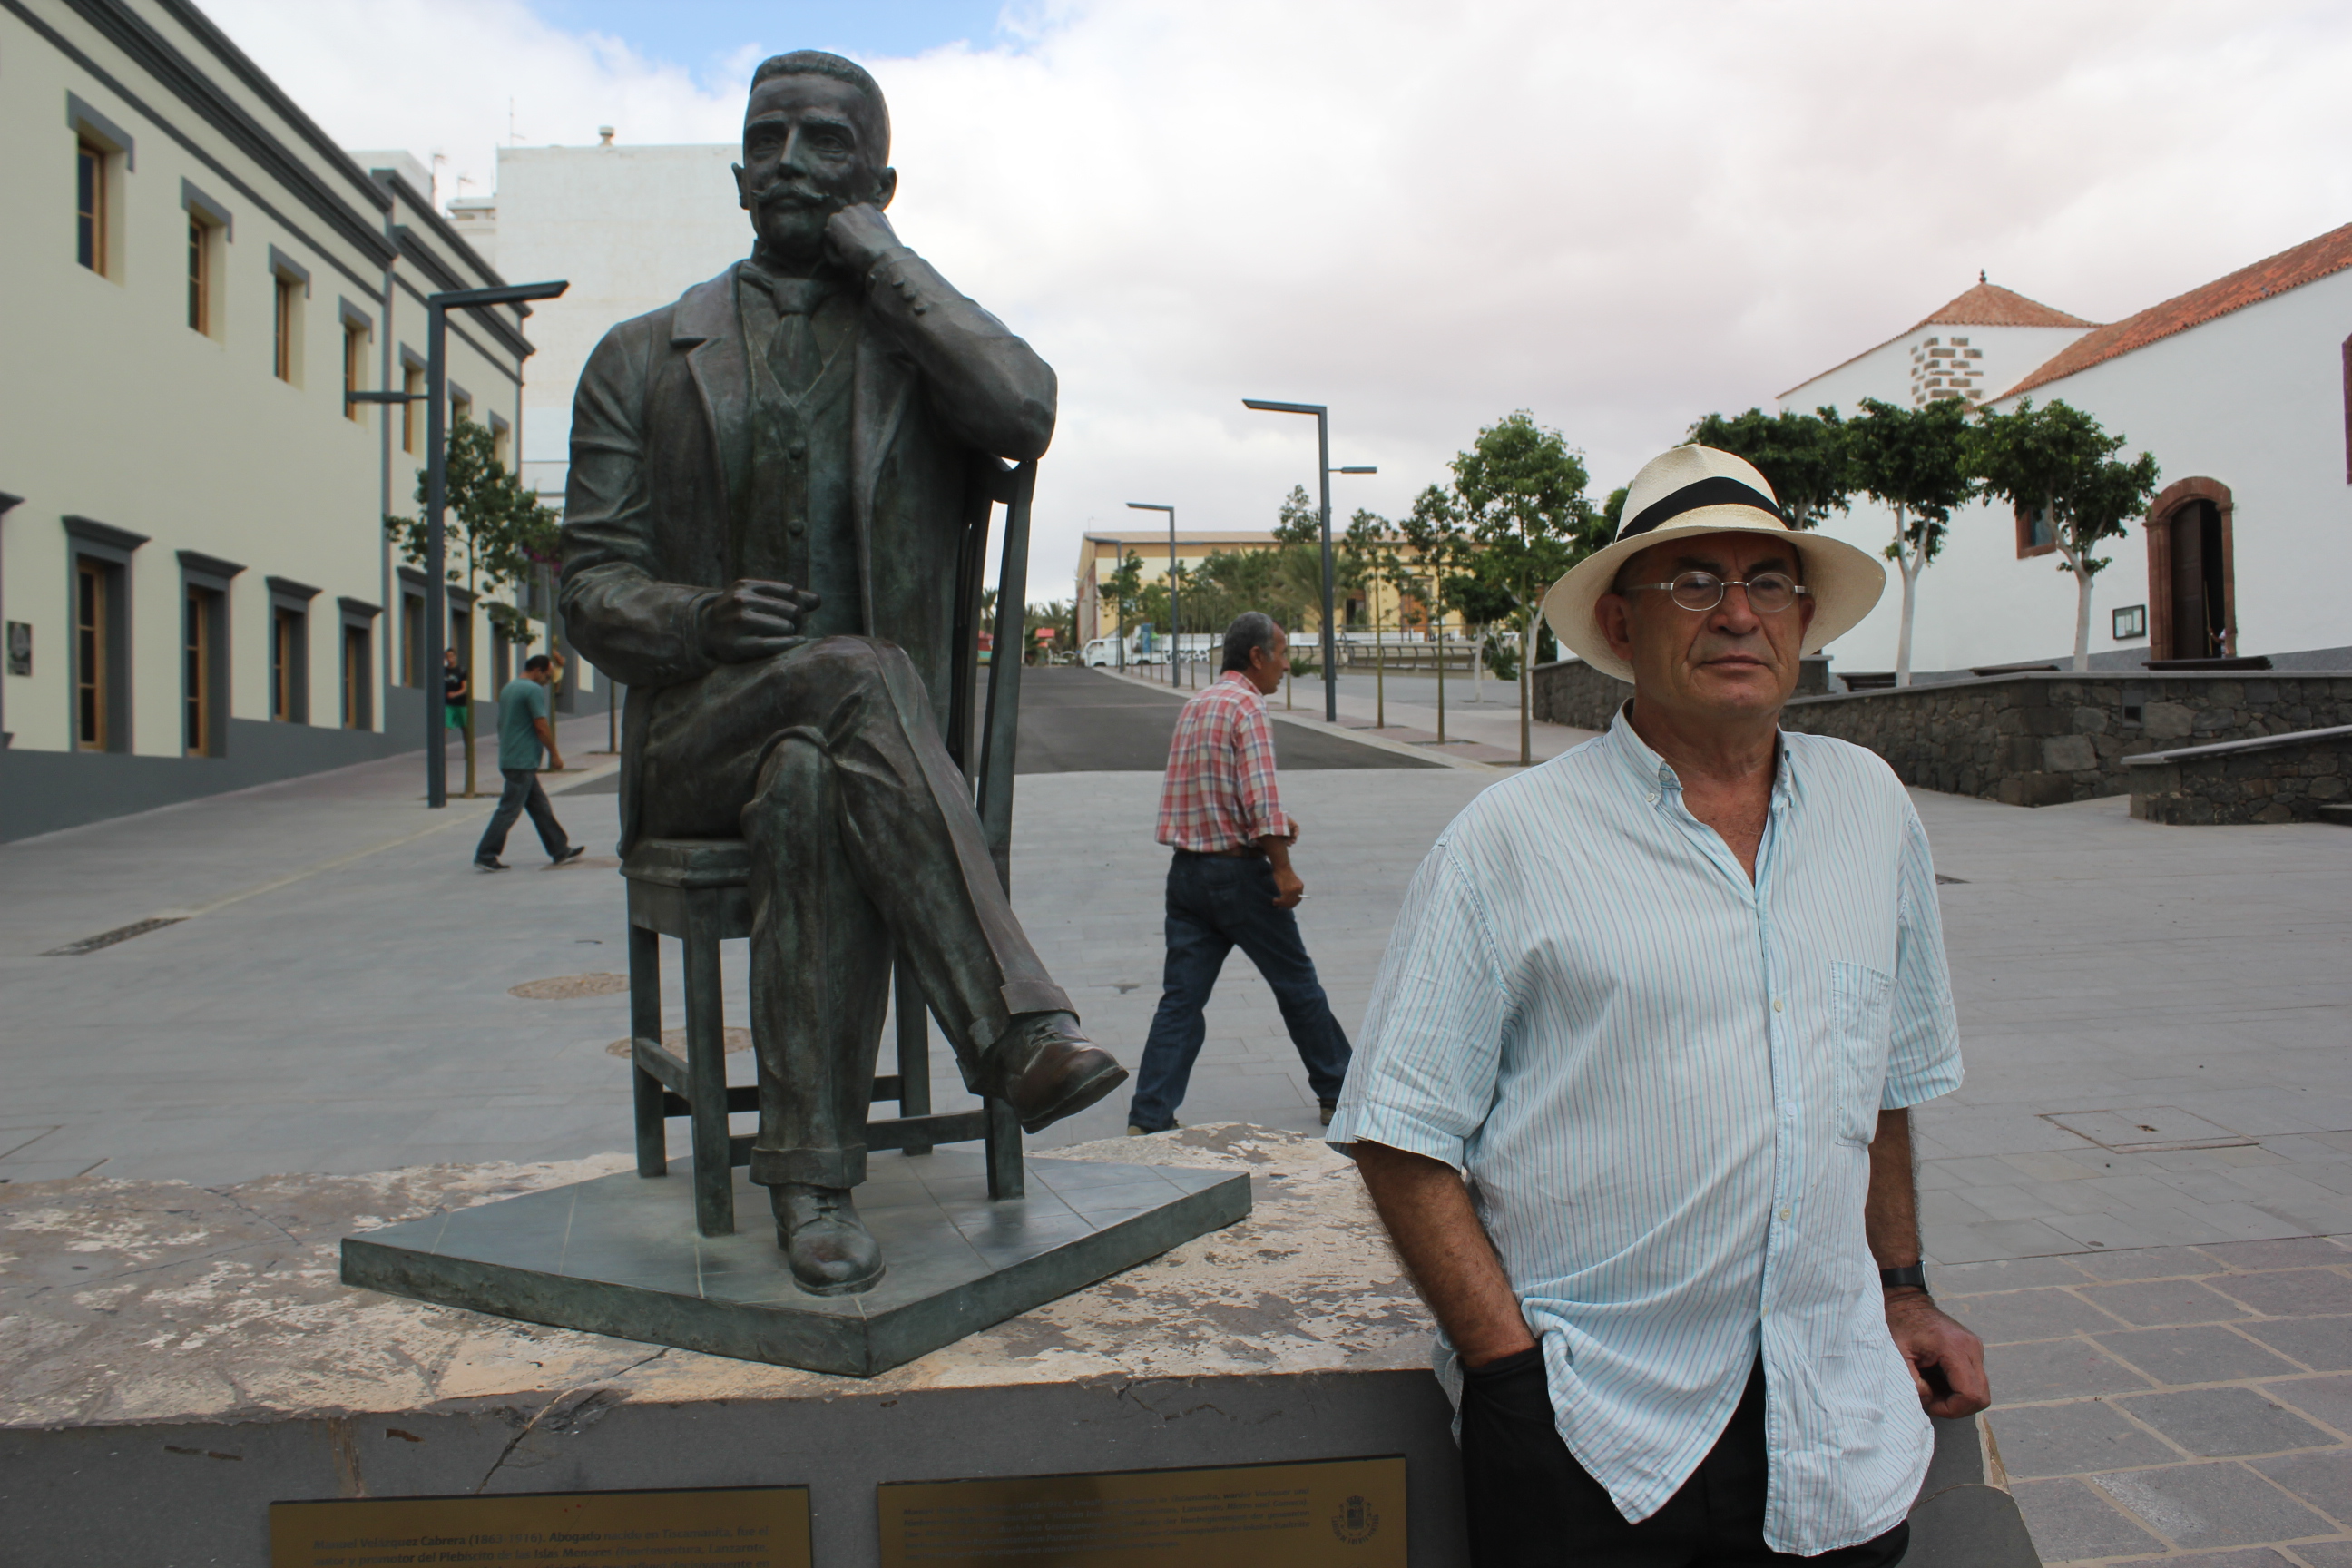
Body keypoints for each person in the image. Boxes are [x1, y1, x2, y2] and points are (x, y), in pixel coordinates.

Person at [1328, 445, 1988, 1567]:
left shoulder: (1870, 809)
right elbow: (1401, 1132)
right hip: (1595, 1426)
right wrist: (1506, 1372)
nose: (1737, 614)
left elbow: (1881, 1086)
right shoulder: (1511, 840)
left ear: (1803, 616)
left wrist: (1906, 1289)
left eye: (1766, 582)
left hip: (1836, 1417)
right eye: (1693, 582)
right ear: (1624, 627)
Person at [559, 51, 1124, 1296]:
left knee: (813, 775)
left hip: (862, 770)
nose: (794, 164)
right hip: (698, 743)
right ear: (738, 170)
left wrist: (885, 264)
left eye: (826, 143)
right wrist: (702, 618)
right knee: (857, 677)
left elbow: (1023, 410)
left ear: (880, 181)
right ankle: (1017, 1030)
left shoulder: (912, 347)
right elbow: (589, 585)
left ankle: (813, 1185)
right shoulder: (643, 357)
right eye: (771, 140)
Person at [1126, 612, 1351, 1136]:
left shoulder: (1197, 705)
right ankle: (1340, 1092)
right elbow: (1257, 794)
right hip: (1238, 879)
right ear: (1257, 656)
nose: (1286, 666)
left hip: (1186, 876)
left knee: (1180, 1001)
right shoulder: (1248, 706)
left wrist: (1271, 824)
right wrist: (1284, 868)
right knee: (1297, 984)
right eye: (1282, 653)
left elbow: (1205, 790)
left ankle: (1150, 1116)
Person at [475, 653, 584, 872]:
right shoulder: (532, 690)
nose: (547, 682)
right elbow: (541, 726)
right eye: (547, 676)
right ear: (538, 670)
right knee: (509, 809)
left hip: (511, 757)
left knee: (540, 807)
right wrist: (555, 754)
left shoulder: (508, 688)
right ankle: (486, 854)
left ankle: (560, 850)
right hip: (522, 760)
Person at [443, 647, 469, 733]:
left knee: (465, 728)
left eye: (451, 656)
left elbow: (464, 688)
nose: (449, 658)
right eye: (447, 656)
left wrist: (455, 694)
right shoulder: (443, 671)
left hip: (460, 704)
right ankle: (442, 746)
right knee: (445, 727)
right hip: (447, 704)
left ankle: (467, 746)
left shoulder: (461, 671)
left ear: (455, 657)